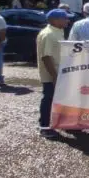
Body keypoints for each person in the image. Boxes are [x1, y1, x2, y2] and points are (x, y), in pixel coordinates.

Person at [36, 9, 69, 139]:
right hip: (52, 75)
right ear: (55, 20)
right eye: (65, 18)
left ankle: (59, 122)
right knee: (48, 99)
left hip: (58, 73)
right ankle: (44, 126)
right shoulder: (49, 34)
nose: (67, 20)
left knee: (57, 99)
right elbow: (46, 57)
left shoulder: (57, 31)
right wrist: (55, 77)